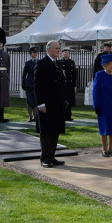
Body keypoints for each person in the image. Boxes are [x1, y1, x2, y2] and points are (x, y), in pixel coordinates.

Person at [35, 40, 67, 168]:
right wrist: (40, 104)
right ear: (49, 49)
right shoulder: (42, 63)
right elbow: (38, 85)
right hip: (46, 103)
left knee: (55, 130)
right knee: (46, 131)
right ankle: (45, 157)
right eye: (56, 48)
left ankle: (52, 155)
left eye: (59, 48)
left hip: (57, 103)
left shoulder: (57, 63)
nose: (59, 50)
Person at [92, 52, 112, 157]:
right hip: (103, 105)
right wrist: (96, 106)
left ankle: (111, 149)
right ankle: (104, 149)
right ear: (105, 65)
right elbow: (95, 92)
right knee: (105, 127)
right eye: (110, 64)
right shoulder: (99, 75)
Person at [58, 47, 77, 121]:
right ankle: (63, 116)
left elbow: (74, 74)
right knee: (63, 100)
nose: (67, 54)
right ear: (62, 53)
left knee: (69, 100)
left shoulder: (71, 62)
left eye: (68, 53)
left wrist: (74, 84)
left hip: (70, 84)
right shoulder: (59, 62)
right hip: (63, 84)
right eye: (65, 52)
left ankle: (68, 116)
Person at [22, 46, 39, 122]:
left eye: (36, 53)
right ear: (30, 54)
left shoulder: (39, 62)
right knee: (30, 101)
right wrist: (23, 83)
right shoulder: (28, 63)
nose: (35, 54)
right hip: (29, 84)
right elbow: (24, 74)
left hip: (37, 84)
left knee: (35, 102)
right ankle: (30, 117)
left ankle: (35, 117)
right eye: (33, 53)